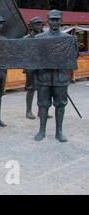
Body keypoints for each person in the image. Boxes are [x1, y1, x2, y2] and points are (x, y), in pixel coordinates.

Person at [34, 10, 78, 142]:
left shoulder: (68, 39)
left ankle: (59, 131)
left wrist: (74, 46)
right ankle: (42, 130)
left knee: (60, 104)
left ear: (61, 21)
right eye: (52, 20)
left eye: (57, 19)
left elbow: (74, 58)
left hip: (61, 77)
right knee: (43, 104)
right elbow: (33, 58)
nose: (54, 22)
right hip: (44, 78)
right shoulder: (39, 39)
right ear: (47, 20)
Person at [23, 17, 51, 120]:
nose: (38, 26)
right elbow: (23, 54)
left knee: (42, 89)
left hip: (42, 67)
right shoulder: (26, 39)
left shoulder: (45, 38)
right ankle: (28, 110)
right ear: (31, 26)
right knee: (31, 89)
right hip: (31, 68)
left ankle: (41, 110)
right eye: (36, 24)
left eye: (40, 24)